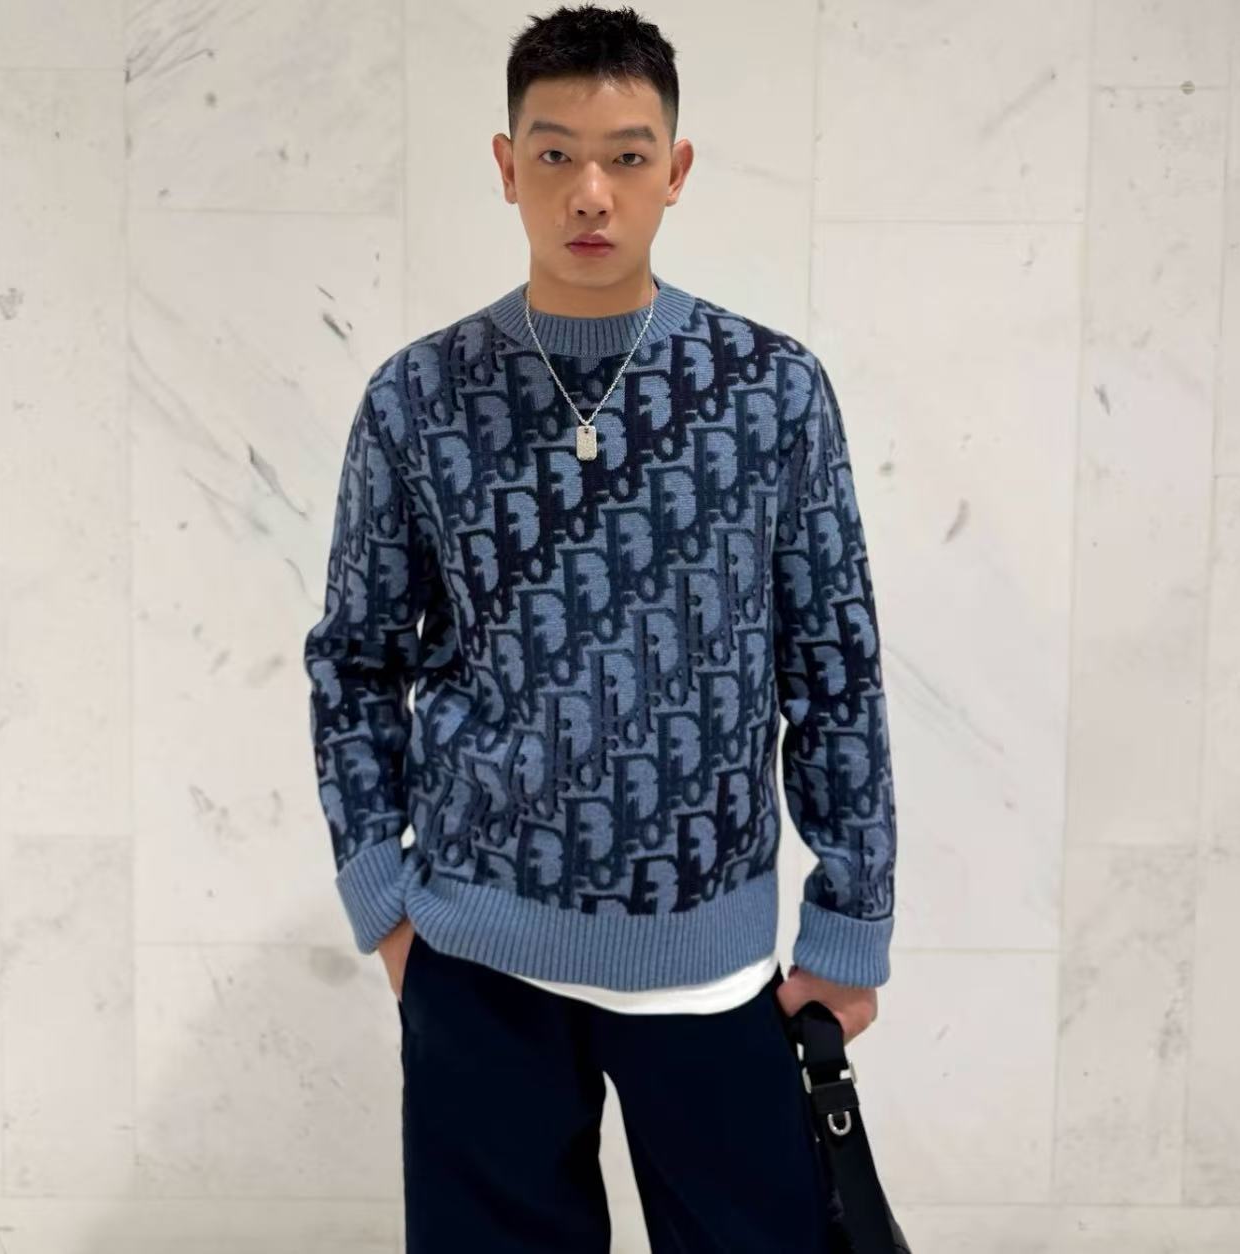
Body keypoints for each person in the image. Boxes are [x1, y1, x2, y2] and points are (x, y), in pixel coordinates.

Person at [301, 4, 899, 1250]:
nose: (589, 191)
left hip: (712, 962)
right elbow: (354, 661)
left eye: (626, 156)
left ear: (674, 171)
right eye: (555, 152)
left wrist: (849, 921)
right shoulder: (417, 397)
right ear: (505, 165)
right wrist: (384, 903)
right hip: (475, 960)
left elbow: (832, 661)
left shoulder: (770, 390)